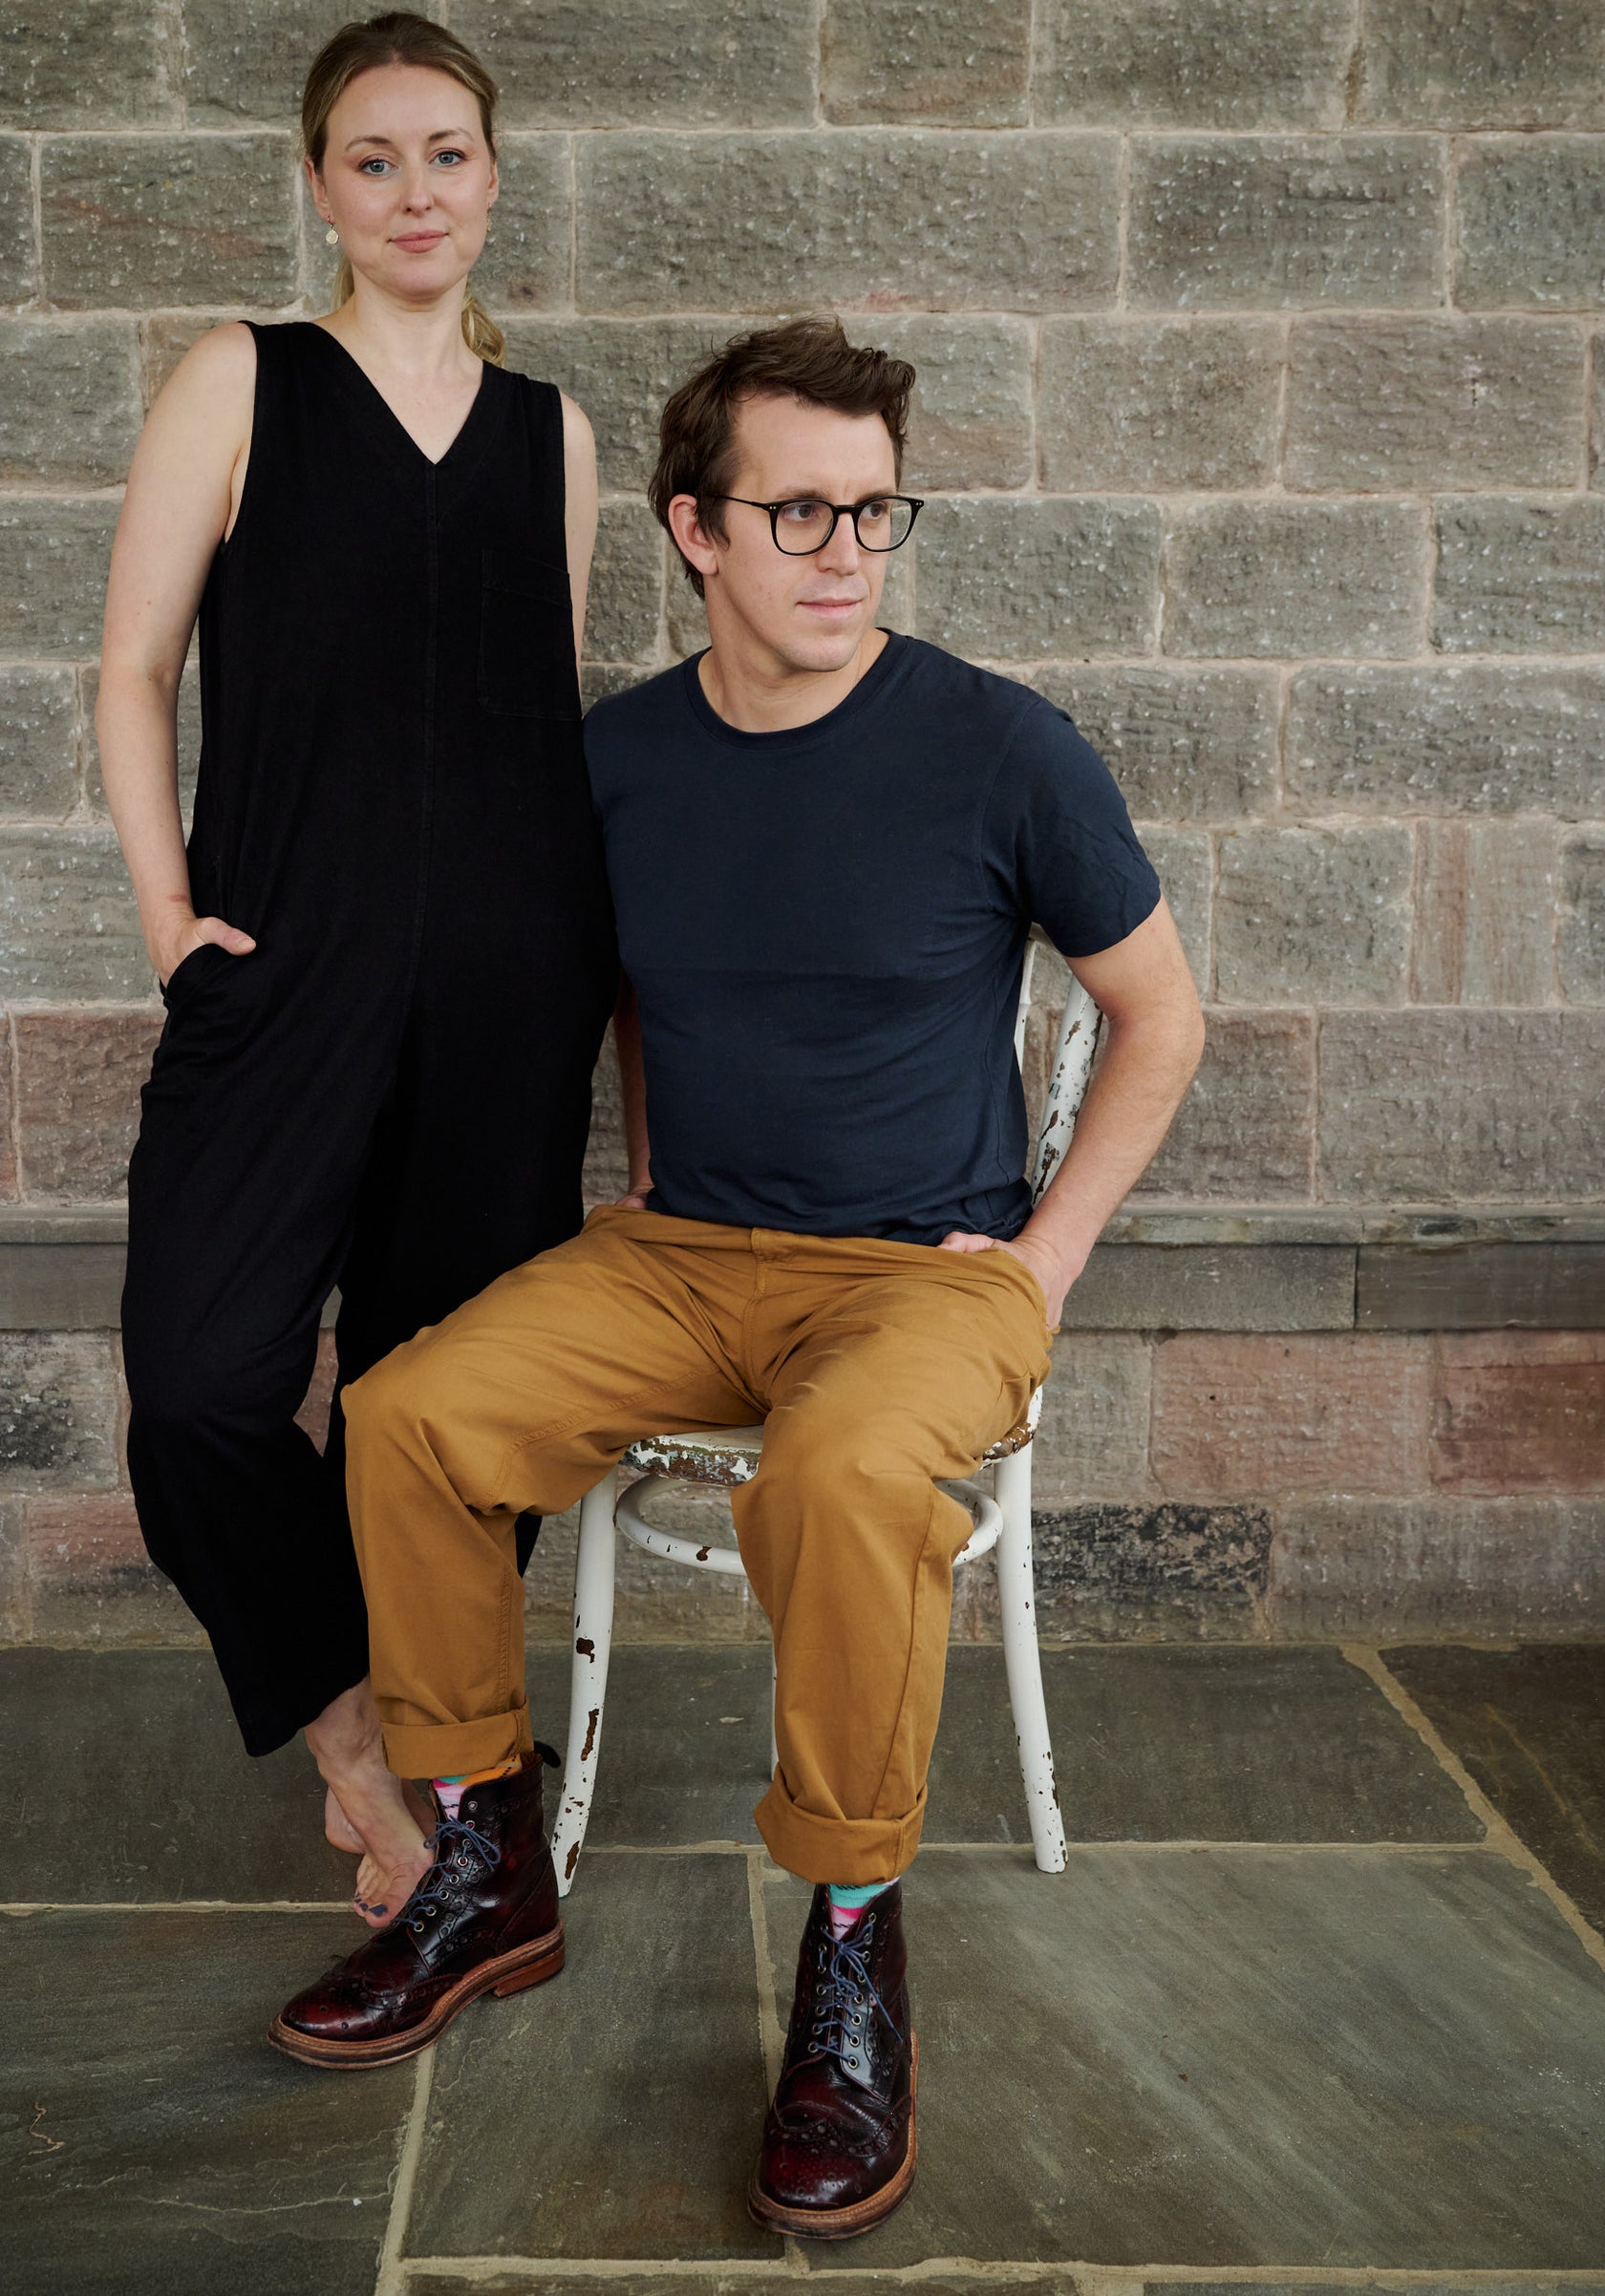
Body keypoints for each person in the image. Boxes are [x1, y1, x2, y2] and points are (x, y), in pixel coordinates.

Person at [268, 319, 1205, 2240]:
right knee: (405, 1413)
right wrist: (652, 1174)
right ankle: (480, 1853)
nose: (843, 550)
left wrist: (1037, 1260)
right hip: (685, 1249)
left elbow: (1159, 1015)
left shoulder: (998, 744)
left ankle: (851, 1941)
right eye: (797, 511)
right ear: (694, 528)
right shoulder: (616, 758)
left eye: (873, 509)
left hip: (919, 1279)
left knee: (843, 1476)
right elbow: (602, 982)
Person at [97, 13, 615, 1924]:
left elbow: (532, 721)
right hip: (281, 972)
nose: (417, 190)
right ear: (321, 185)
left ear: (494, 177)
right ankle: (358, 1755)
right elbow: (134, 666)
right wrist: (172, 914)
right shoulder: (240, 380)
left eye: (449, 153)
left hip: (507, 991)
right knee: (202, 1379)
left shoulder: (551, 433)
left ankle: (446, 1749)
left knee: (463, 1413)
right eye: (376, 156)